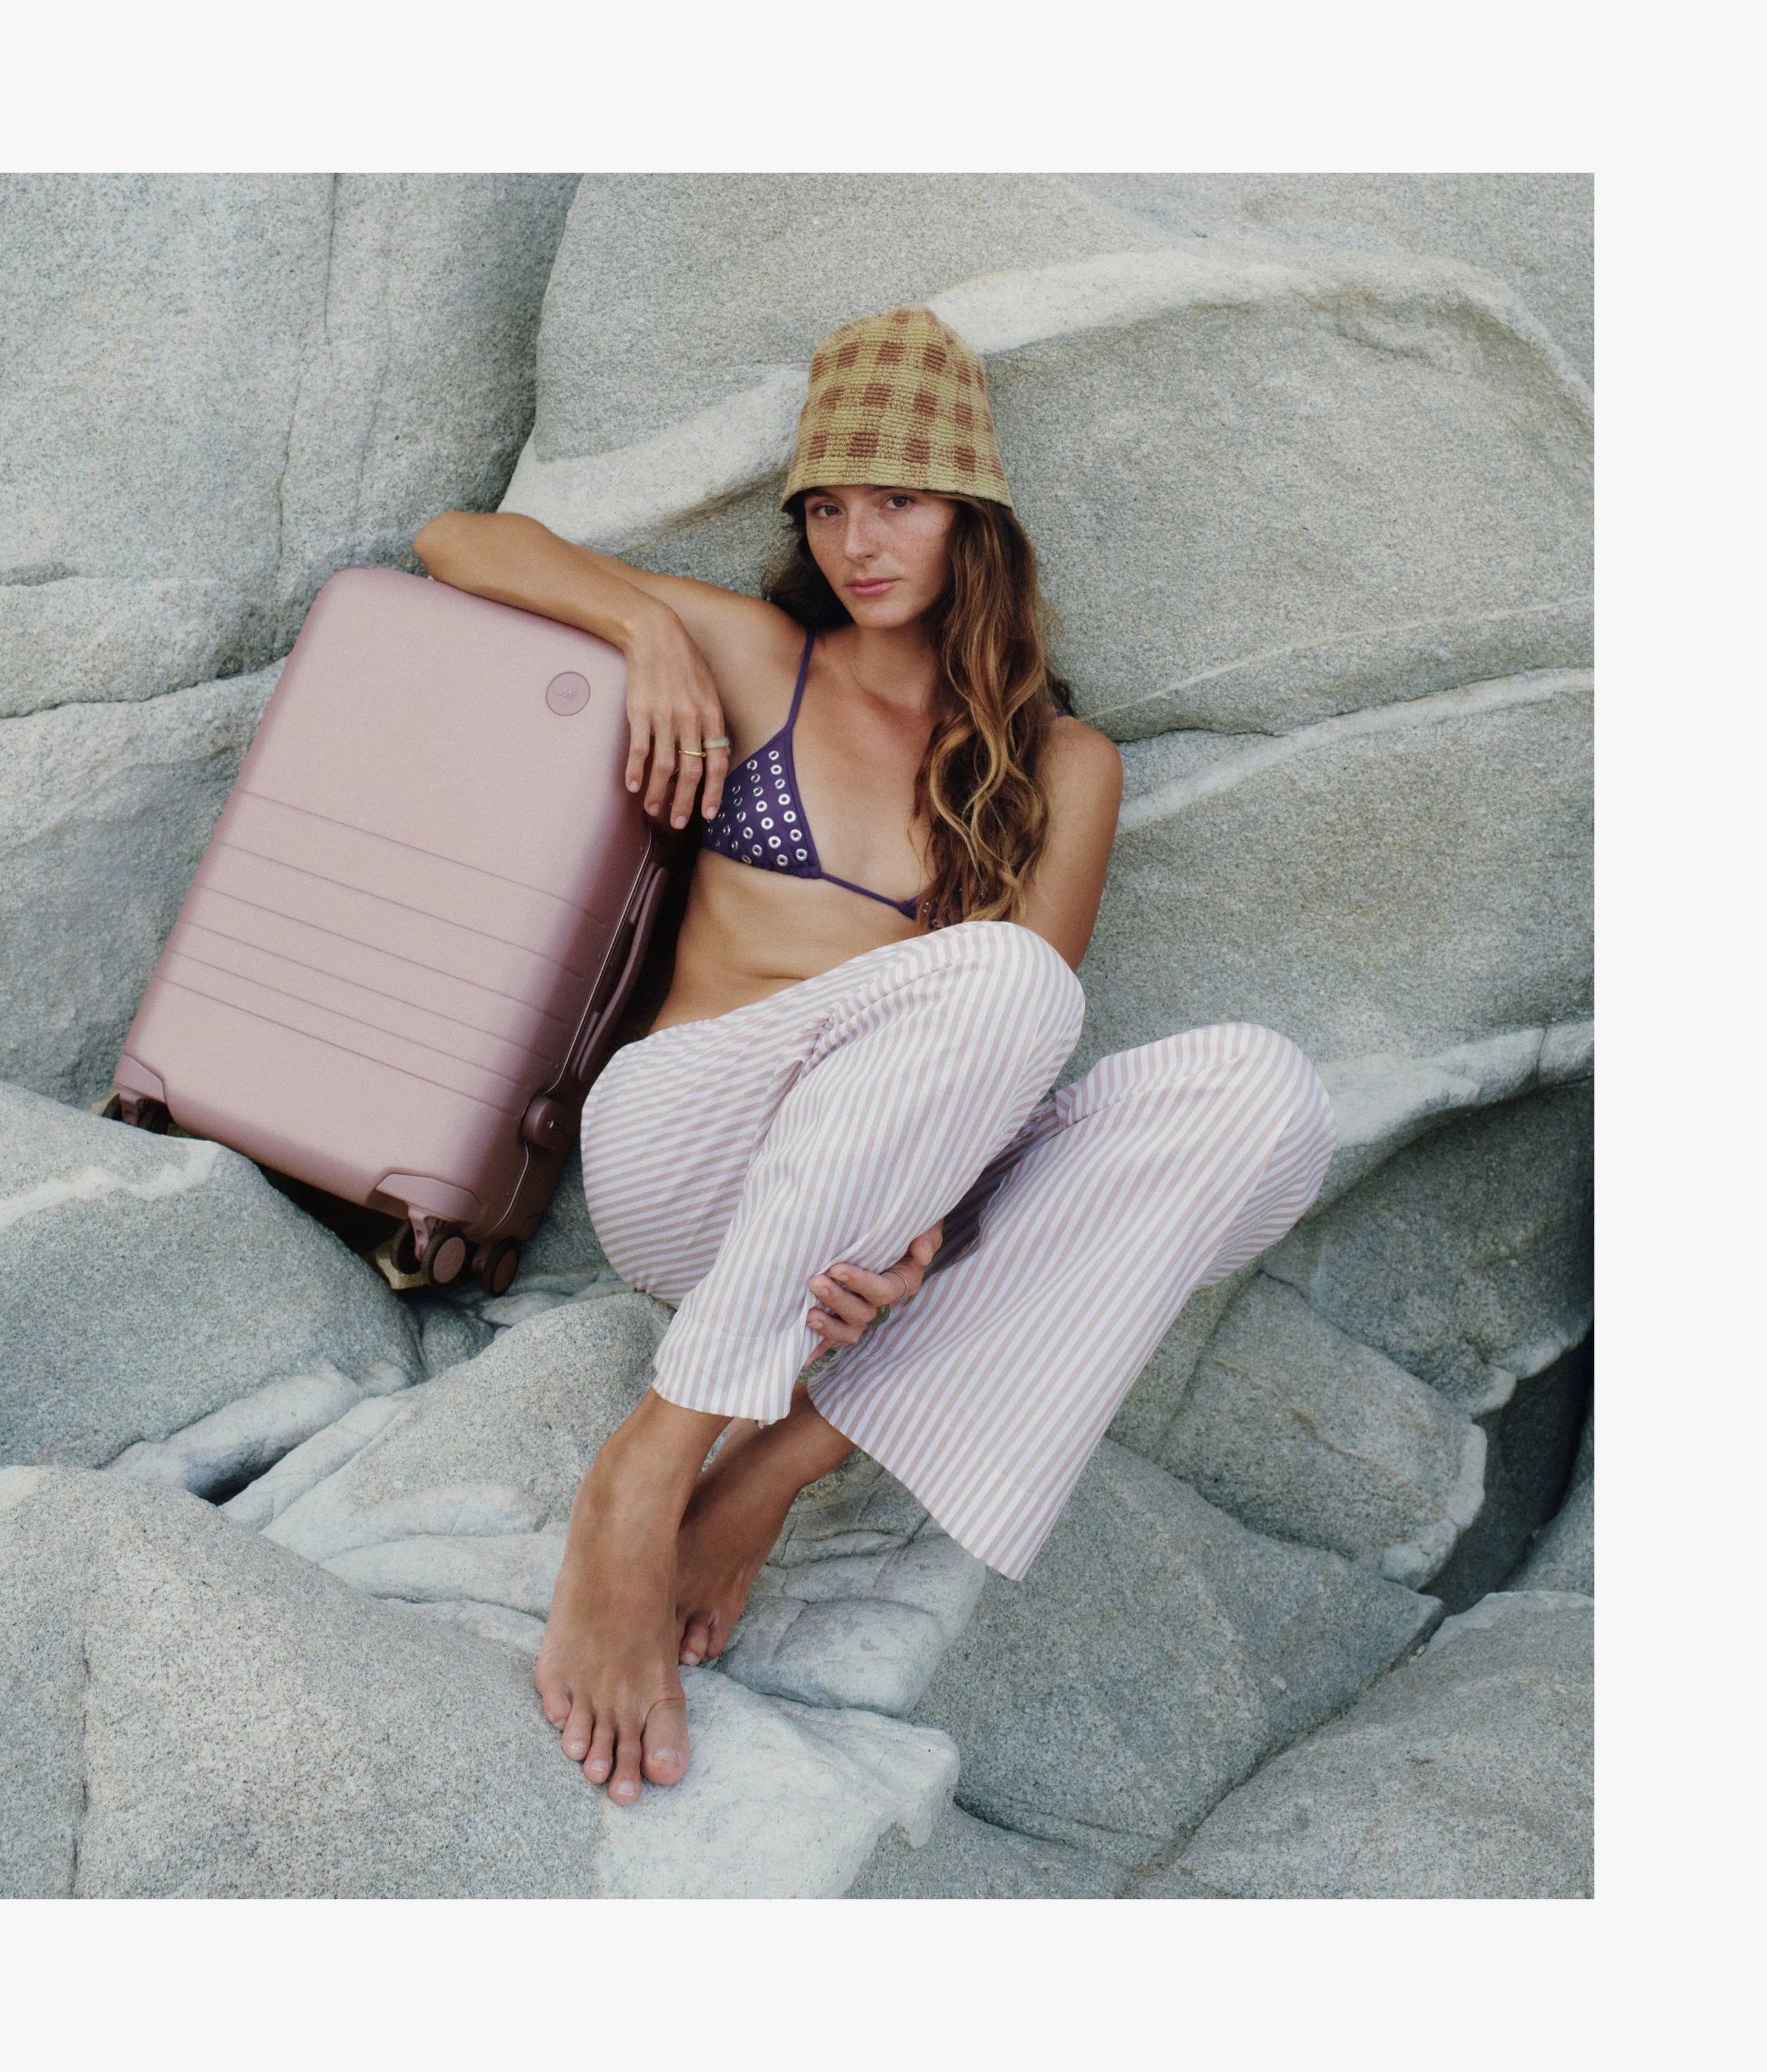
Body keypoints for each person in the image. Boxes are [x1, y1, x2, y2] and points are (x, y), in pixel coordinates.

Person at [412, 305, 1337, 1809]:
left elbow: (1006, 1051)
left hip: (857, 1234)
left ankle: (769, 1471)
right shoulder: (761, 656)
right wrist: (646, 628)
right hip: (685, 1151)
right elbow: (458, 541)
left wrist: (923, 1248)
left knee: (1261, 1099)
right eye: (827, 508)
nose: (858, 542)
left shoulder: (1067, 768)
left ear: (974, 517)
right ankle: (647, 1465)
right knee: (1008, 977)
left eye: (897, 501)